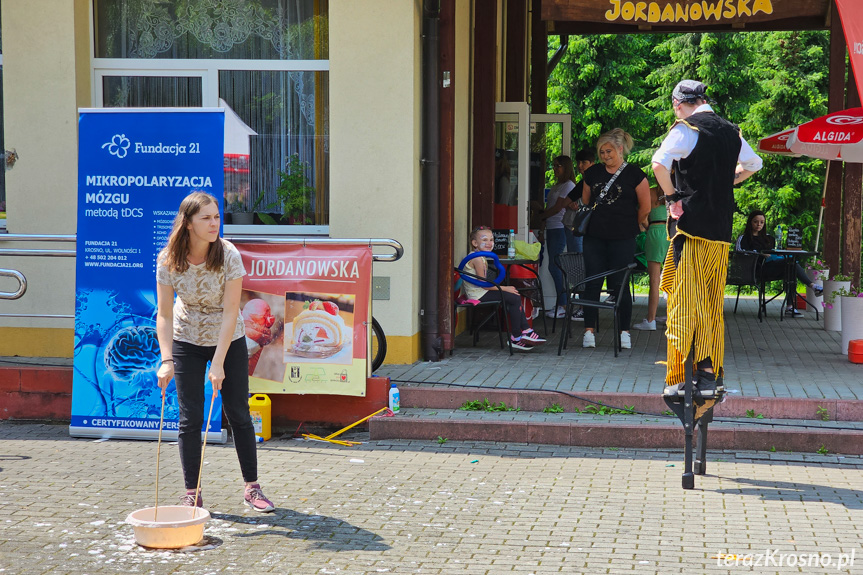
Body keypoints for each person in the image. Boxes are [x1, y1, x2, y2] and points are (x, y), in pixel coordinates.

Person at [156, 191, 275, 513]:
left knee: (238, 412)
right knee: (190, 419)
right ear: (189, 223)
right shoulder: (168, 259)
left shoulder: (228, 254)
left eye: (217, 216)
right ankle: (191, 493)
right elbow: (164, 314)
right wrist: (166, 359)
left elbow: (231, 311)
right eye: (206, 218)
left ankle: (252, 488)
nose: (214, 223)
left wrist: (219, 363)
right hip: (185, 339)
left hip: (228, 337)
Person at [652, 80, 763, 401]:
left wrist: (672, 197)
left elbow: (659, 163)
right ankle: (708, 373)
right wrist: (730, 180)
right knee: (712, 305)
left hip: (690, 227)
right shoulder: (731, 131)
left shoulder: (687, 128)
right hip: (720, 232)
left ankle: (678, 377)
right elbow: (754, 164)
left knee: (685, 301)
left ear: (678, 103)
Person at [578, 129, 651, 350]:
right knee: (592, 281)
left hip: (623, 237)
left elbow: (645, 206)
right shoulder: (592, 173)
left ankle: (624, 332)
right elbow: (585, 201)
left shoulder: (635, 174)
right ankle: (589, 331)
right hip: (594, 236)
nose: (605, 155)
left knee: (620, 284)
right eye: (601, 152)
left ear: (620, 149)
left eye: (609, 151)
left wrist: (633, 224)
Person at [461, 226, 547, 351]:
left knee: (514, 296)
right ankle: (518, 335)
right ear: (474, 243)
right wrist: (505, 288)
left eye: (491, 240)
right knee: (513, 296)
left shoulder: (480, 256)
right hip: (478, 295)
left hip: (482, 291)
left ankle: (524, 332)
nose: (489, 243)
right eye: (484, 240)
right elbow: (483, 284)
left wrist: (505, 289)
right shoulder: (477, 259)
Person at [735, 210, 823, 316]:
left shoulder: (768, 238)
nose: (759, 224)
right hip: (754, 271)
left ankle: (790, 307)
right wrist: (759, 254)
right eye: (756, 222)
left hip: (769, 267)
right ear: (750, 222)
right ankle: (812, 287)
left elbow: (774, 252)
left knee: (791, 267)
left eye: (762, 222)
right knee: (791, 266)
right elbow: (740, 253)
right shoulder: (743, 238)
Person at [539, 155, 580, 320]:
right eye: (554, 165)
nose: (555, 169)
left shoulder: (569, 185)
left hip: (559, 227)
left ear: (567, 168)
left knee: (555, 266)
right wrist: (542, 225)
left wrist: (541, 216)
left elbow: (557, 208)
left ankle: (563, 304)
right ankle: (562, 303)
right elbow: (549, 207)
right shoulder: (556, 185)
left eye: (558, 166)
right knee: (554, 266)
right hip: (551, 227)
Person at [633, 186, 670, 330]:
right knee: (673, 277)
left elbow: (643, 214)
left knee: (655, 280)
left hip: (655, 231)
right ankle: (671, 316)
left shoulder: (650, 192)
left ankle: (651, 320)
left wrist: (648, 226)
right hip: (672, 232)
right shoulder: (675, 190)